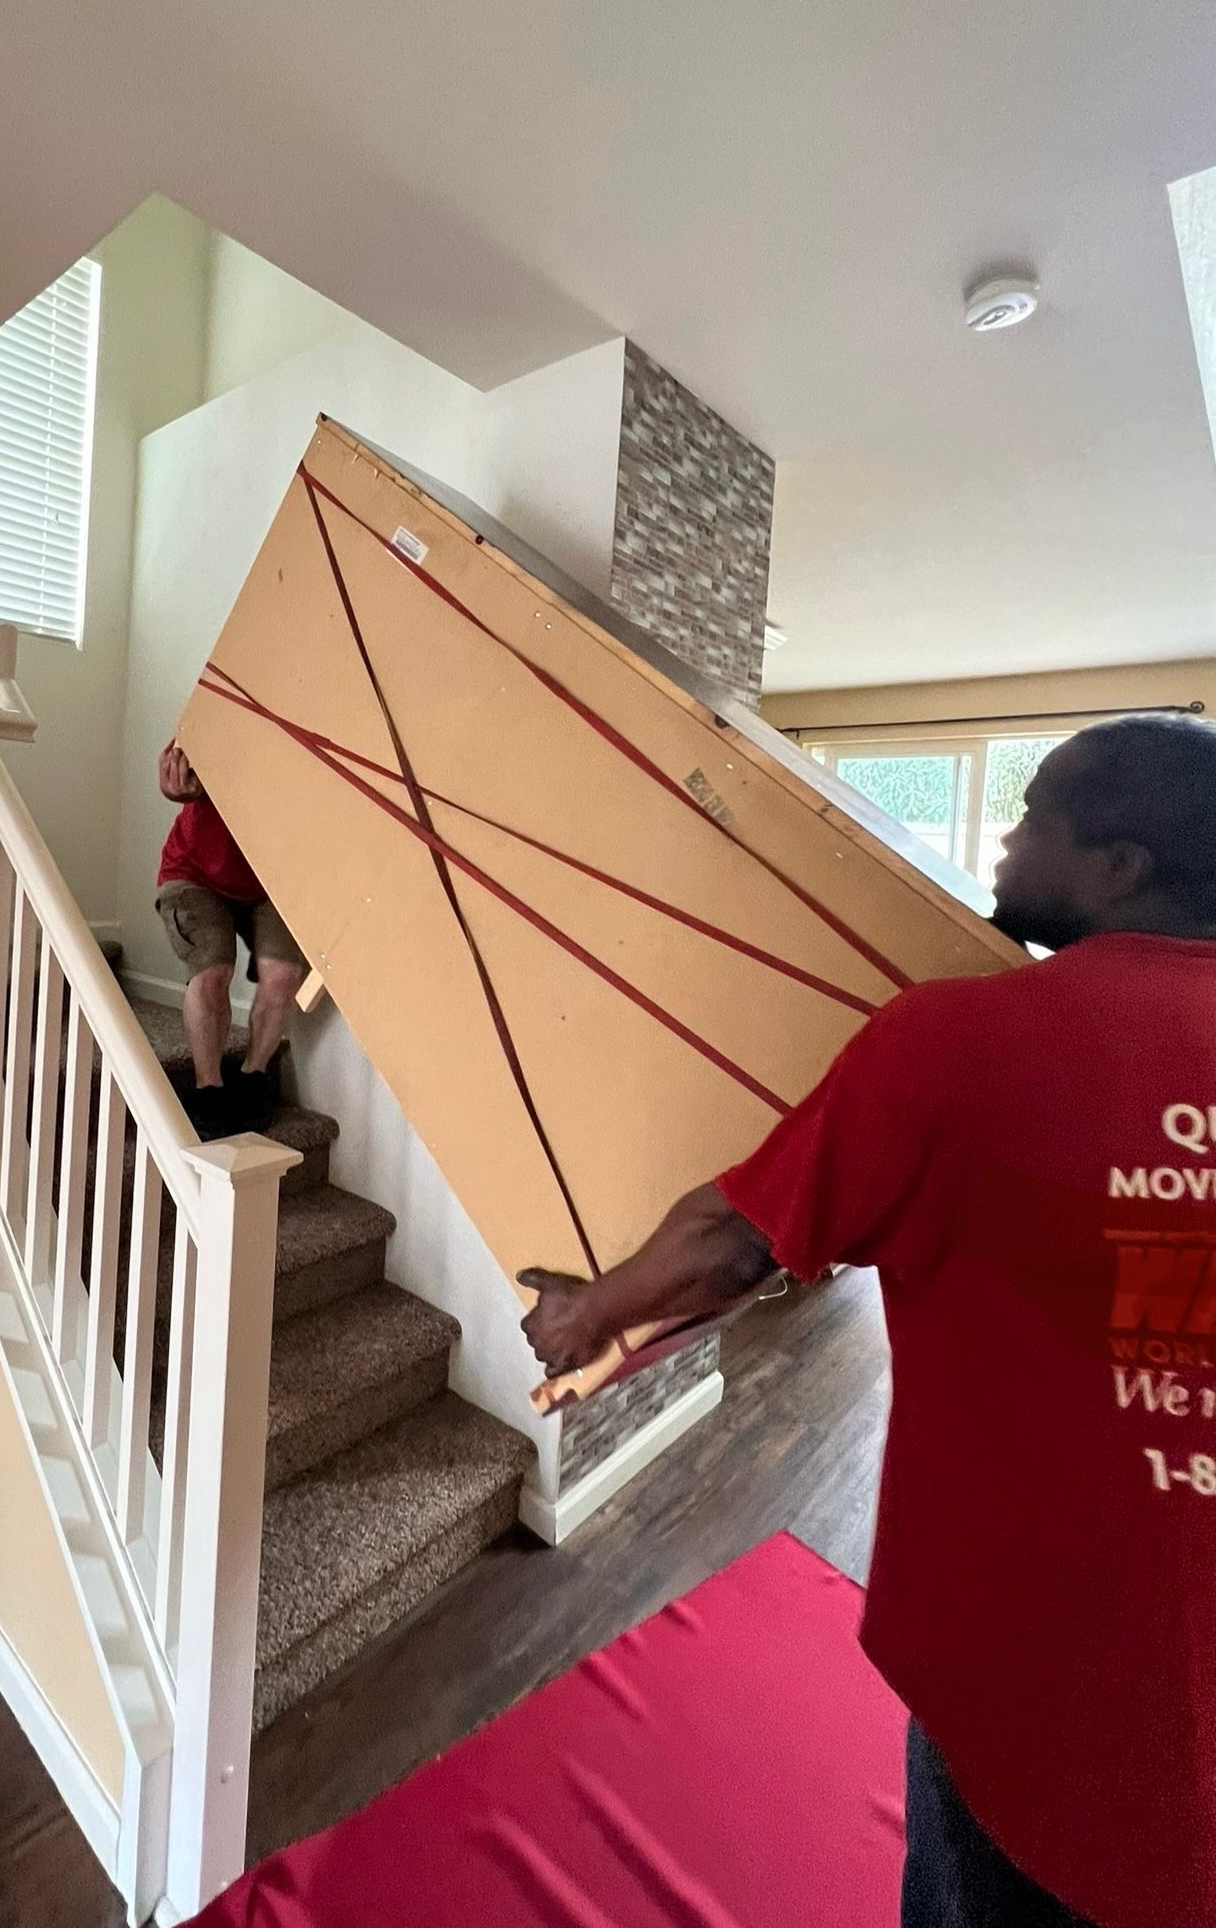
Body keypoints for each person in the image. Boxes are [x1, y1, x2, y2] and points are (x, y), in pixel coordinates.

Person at [519, 715, 1216, 1928]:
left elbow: (727, 1243)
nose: (1002, 833)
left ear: (1119, 866)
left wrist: (586, 1313)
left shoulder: (956, 1040)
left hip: (1031, 1685)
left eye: (1034, 810)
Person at [155, 737, 305, 1139]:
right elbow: (183, 752)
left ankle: (253, 1077)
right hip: (194, 871)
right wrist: (176, 778)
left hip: (269, 879)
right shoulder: (232, 701)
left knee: (284, 975)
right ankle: (209, 1090)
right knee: (212, 970)